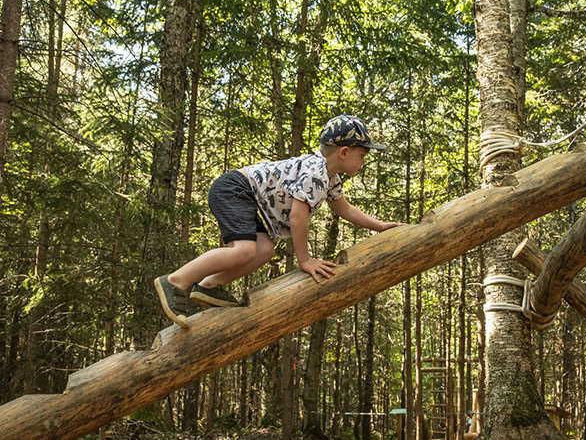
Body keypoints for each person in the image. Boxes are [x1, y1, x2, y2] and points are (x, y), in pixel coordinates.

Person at [154, 114, 403, 329]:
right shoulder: (316, 172)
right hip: (236, 189)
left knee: (263, 251)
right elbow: (297, 216)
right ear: (344, 152)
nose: (364, 161)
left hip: (249, 199)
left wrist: (380, 226)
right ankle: (176, 280)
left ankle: (209, 285)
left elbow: (345, 209)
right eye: (362, 155)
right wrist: (304, 260)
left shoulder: (330, 178)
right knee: (244, 250)